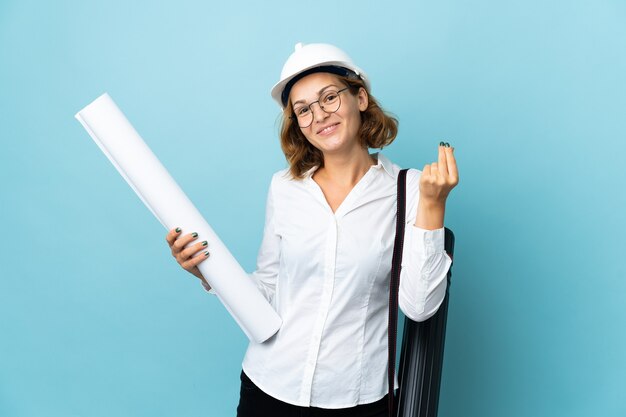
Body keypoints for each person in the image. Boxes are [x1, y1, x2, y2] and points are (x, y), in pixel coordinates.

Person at [165, 43, 458, 416]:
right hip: (267, 388)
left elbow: (419, 307)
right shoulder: (284, 187)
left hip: (357, 399)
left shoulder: (410, 190)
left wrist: (433, 205)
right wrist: (205, 271)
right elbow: (269, 290)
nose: (319, 115)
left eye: (330, 97)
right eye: (304, 109)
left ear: (361, 98)